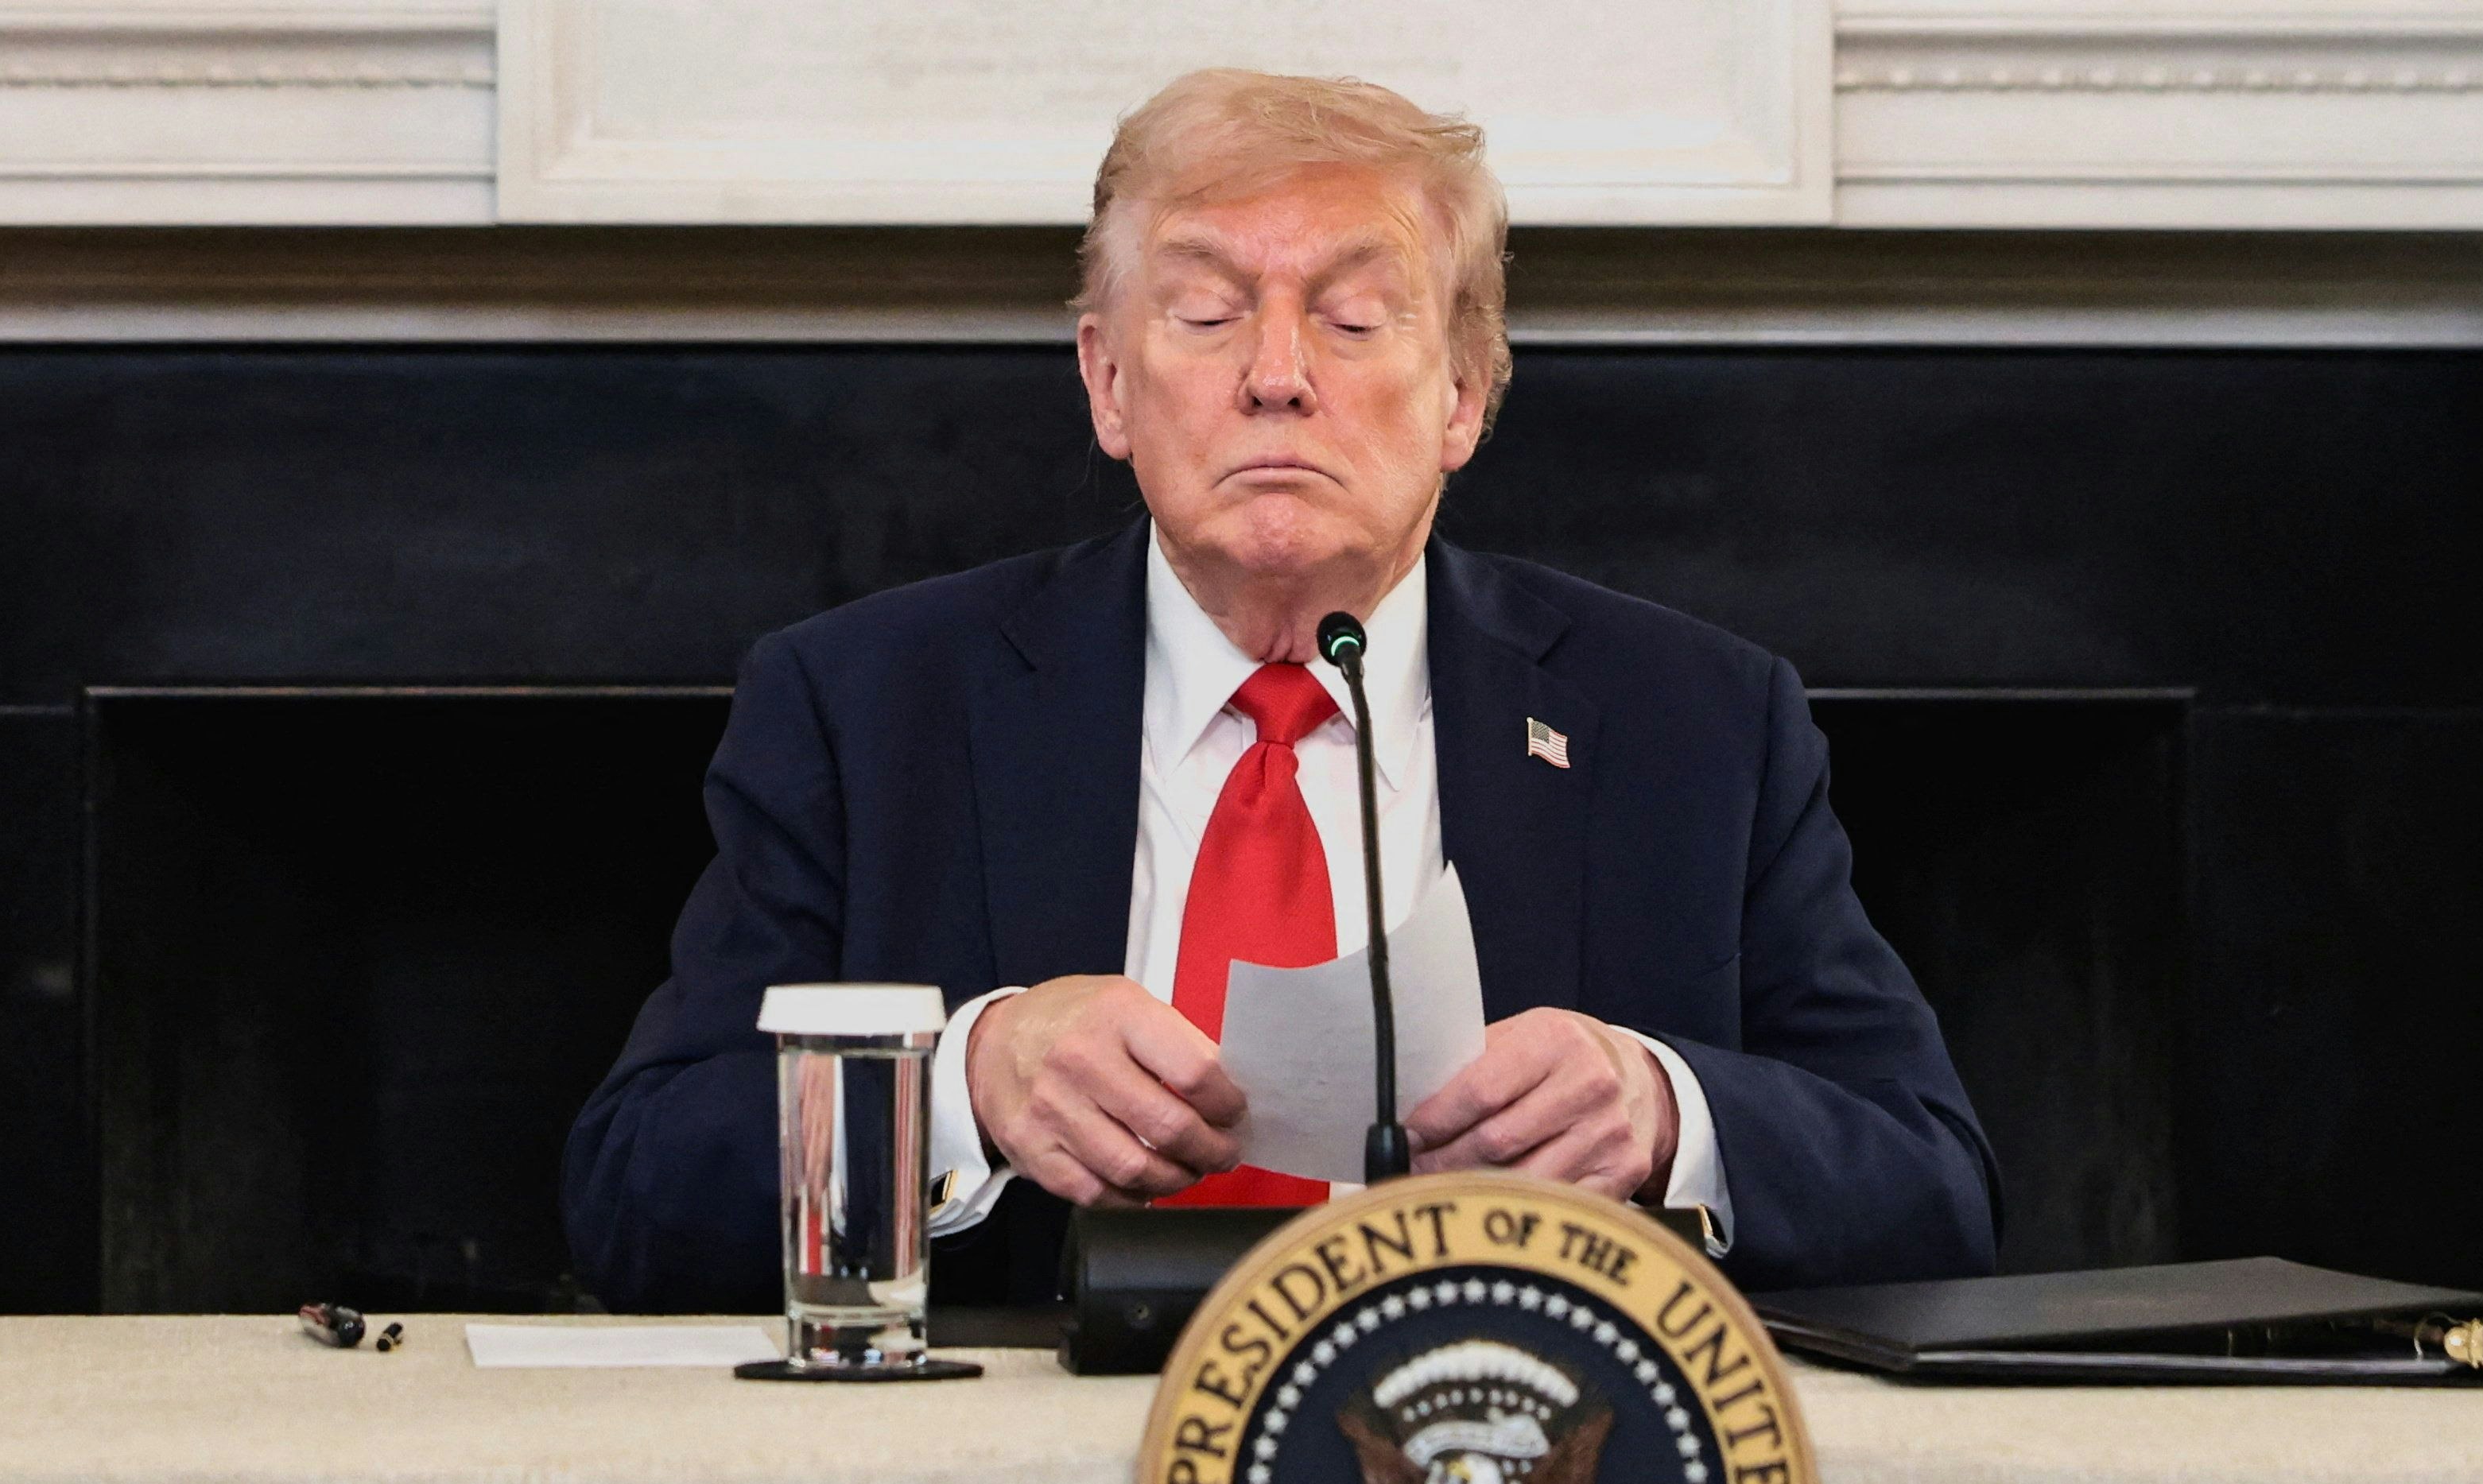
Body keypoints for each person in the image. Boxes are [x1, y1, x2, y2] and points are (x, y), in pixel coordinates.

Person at [564, 69, 1998, 1312]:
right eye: (1203, 313)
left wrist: (1665, 1114)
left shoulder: (1693, 724)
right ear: (1109, 384)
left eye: (1356, 319)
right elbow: (634, 1194)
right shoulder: (867, 706)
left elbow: (1935, 1183)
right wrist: (961, 1084)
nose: (1276, 376)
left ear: (1462, 397)